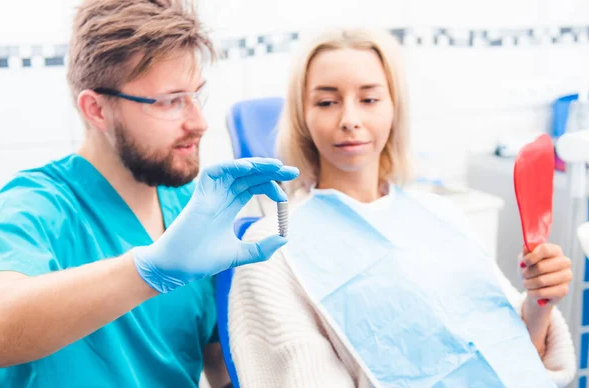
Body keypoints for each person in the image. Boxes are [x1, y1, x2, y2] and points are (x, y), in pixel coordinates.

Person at [228, 29, 576, 387]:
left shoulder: (441, 216)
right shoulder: (271, 249)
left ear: (394, 108)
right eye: (327, 102)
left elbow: (519, 361)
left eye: (369, 99)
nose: (349, 118)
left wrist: (539, 303)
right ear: (303, 116)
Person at [0, 1, 298, 387]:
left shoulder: (190, 210)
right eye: (170, 101)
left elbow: (220, 366)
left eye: (196, 95)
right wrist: (148, 271)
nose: (199, 123)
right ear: (97, 110)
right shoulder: (36, 205)